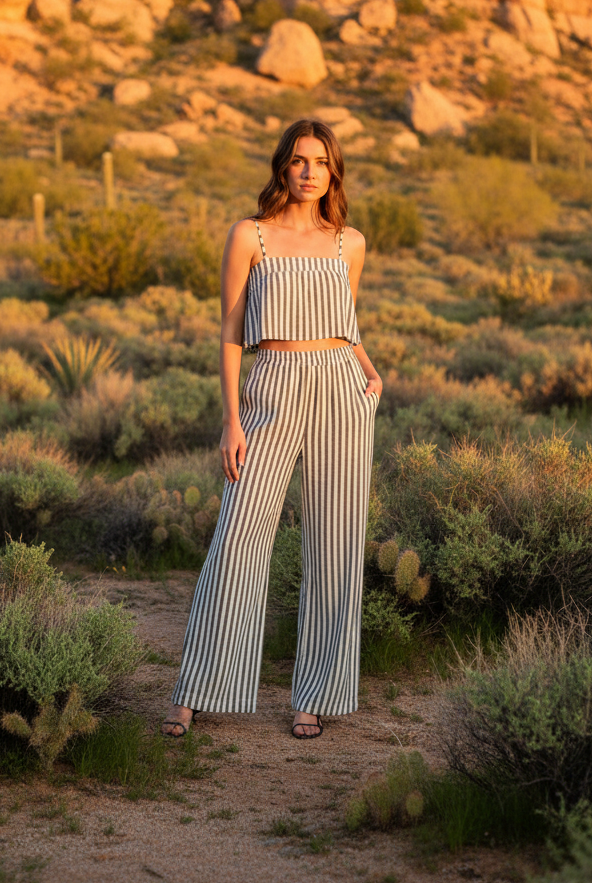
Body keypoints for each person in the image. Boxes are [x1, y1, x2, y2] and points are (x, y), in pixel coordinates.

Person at [161, 118, 382, 741]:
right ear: (282, 167)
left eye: (321, 161)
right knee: (239, 533)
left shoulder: (349, 243)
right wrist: (232, 421)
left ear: (333, 171)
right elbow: (232, 333)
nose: (309, 171)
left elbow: (346, 321)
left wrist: (367, 369)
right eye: (298, 160)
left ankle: (318, 694)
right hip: (272, 384)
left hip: (341, 386)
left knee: (335, 541)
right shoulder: (248, 235)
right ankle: (196, 687)